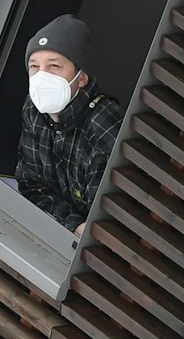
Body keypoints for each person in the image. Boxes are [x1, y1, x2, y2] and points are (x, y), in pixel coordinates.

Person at [15, 14, 125, 236]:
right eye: (34, 66)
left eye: (54, 66)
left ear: (81, 78)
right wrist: (73, 224)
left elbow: (104, 220)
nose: (41, 76)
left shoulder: (104, 124)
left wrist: (80, 227)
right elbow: (32, 187)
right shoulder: (34, 110)